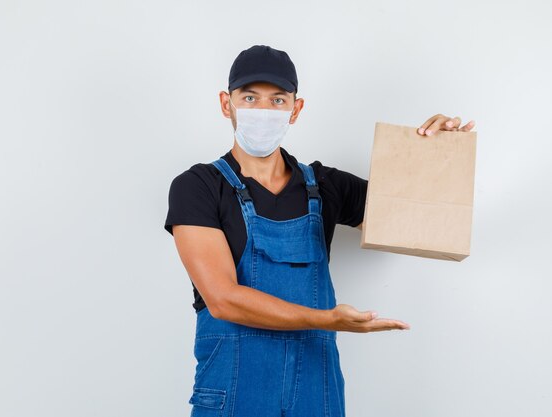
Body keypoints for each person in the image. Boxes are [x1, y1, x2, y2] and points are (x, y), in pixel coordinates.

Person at [163, 44, 476, 417]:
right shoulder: (198, 186)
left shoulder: (326, 186)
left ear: (296, 109)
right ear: (225, 103)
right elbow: (223, 299)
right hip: (234, 390)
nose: (263, 111)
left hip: (314, 389)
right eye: (250, 97)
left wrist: (440, 149)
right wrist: (328, 320)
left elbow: (428, 219)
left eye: (278, 100)